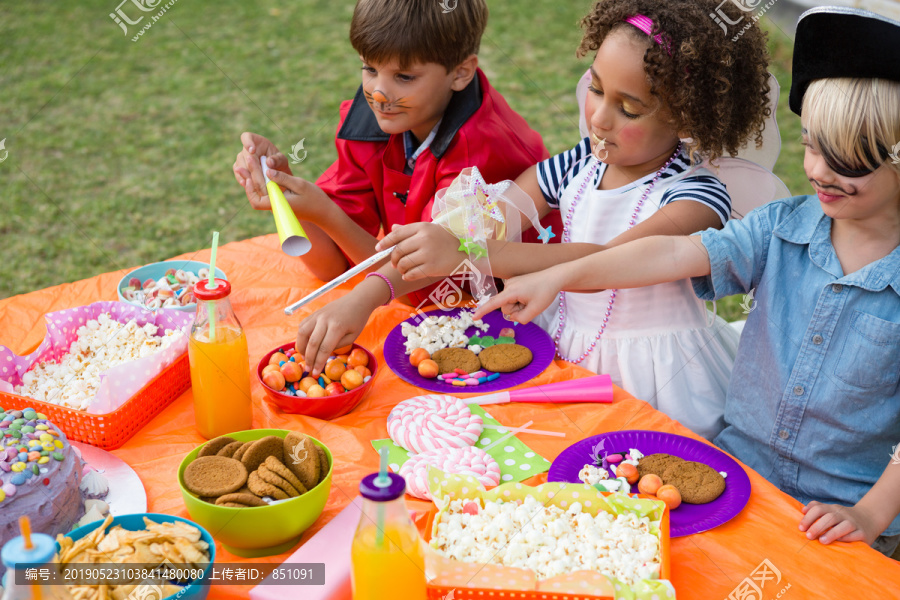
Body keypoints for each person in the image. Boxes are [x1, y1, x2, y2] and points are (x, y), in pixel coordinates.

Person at [474, 6, 900, 557]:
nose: (818, 171)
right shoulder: (779, 228)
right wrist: (561, 274)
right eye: (813, 145)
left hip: (847, 516)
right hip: (737, 478)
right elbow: (672, 253)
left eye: (849, 161)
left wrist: (870, 514)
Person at [296, 0, 774, 441]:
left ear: (688, 118)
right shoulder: (576, 166)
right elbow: (473, 227)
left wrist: (471, 253)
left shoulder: (697, 197)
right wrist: (368, 295)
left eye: (627, 107)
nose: (599, 120)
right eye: (597, 89)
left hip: (654, 377)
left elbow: (608, 262)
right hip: (559, 350)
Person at [231, 0, 552, 303]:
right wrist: (290, 200)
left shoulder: (481, 153)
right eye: (369, 69)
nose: (379, 93)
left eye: (404, 76)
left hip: (511, 307)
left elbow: (421, 287)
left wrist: (326, 212)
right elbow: (333, 266)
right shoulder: (370, 121)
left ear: (460, 73)